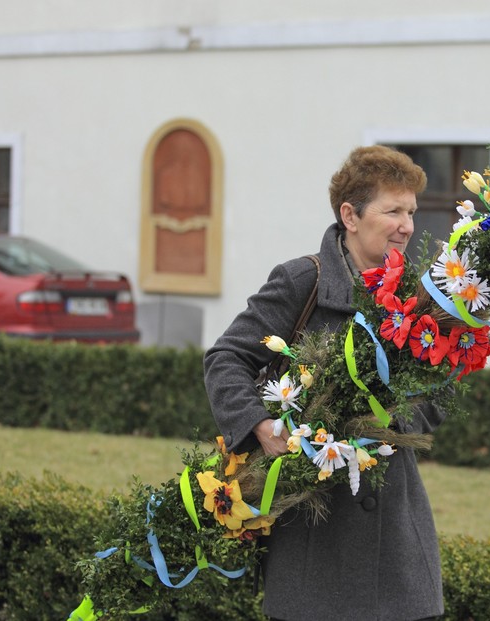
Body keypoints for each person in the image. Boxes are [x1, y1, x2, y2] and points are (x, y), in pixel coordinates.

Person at [203, 145, 446, 621]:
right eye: (393, 210)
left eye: (412, 211)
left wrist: (378, 429)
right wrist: (260, 424)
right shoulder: (301, 281)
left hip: (399, 550)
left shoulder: (420, 296)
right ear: (350, 215)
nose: (407, 225)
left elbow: (441, 392)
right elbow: (226, 358)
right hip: (313, 550)